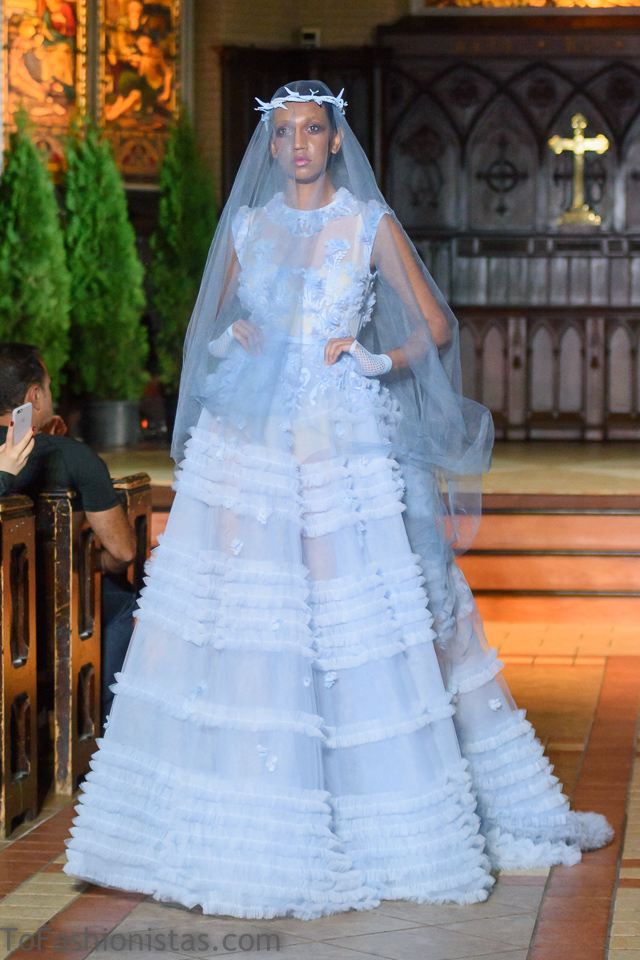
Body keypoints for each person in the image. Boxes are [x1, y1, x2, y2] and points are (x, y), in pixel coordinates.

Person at [62, 81, 612, 918]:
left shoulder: (367, 221)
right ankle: (229, 817)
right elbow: (208, 332)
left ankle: (372, 811)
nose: (300, 144)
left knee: (348, 614)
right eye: (286, 131)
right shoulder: (247, 227)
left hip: (338, 438)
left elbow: (435, 326)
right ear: (270, 144)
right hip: (251, 444)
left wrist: (377, 360)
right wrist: (229, 337)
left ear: (333, 138)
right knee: (248, 617)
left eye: (313, 129)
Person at [0, 344, 138, 726]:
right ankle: (100, 723)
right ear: (34, 396)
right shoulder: (72, 456)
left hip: (10, 618)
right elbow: (124, 552)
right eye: (47, 386)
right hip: (55, 615)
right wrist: (89, 558)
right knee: (119, 597)